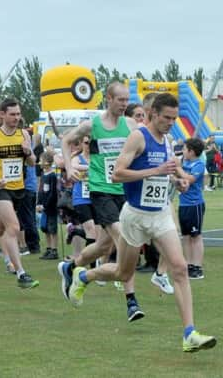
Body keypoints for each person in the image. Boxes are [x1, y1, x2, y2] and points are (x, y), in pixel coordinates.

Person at [66, 93, 216, 353]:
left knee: (179, 268)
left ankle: (189, 333)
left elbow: (165, 170)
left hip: (159, 214)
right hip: (134, 216)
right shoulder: (138, 137)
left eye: (174, 118)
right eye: (166, 118)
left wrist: (176, 180)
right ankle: (84, 275)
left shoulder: (167, 140)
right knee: (123, 273)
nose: (171, 122)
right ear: (153, 114)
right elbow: (118, 174)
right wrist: (155, 172)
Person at [59, 82, 144, 321]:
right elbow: (66, 140)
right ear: (108, 98)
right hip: (100, 191)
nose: (124, 104)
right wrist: (68, 167)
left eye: (127, 100)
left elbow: (141, 150)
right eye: (120, 100)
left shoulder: (130, 125)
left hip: (123, 190)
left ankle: (71, 267)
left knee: (103, 247)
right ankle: (131, 302)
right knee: (125, 240)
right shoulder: (92, 125)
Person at [0, 97, 39, 288]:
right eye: (12, 114)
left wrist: (28, 152)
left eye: (18, 114)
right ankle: (20, 272)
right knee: (14, 228)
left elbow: (33, 163)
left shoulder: (24, 135)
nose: (16, 117)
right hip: (1, 189)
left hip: (19, 188)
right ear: (2, 115)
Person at [178, 138, 206, 279]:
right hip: (183, 204)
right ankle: (189, 265)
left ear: (191, 151)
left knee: (196, 236)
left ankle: (197, 267)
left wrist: (178, 169)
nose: (182, 151)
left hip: (195, 204)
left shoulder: (199, 164)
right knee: (186, 236)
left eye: (184, 149)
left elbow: (189, 179)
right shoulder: (184, 162)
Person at [37, 151, 58, 260]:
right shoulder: (43, 175)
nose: (40, 162)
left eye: (42, 160)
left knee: (52, 229)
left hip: (51, 207)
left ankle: (54, 250)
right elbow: (41, 190)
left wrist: (46, 205)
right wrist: (39, 203)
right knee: (45, 228)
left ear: (47, 162)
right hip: (44, 206)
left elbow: (53, 193)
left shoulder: (52, 176)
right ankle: (49, 248)